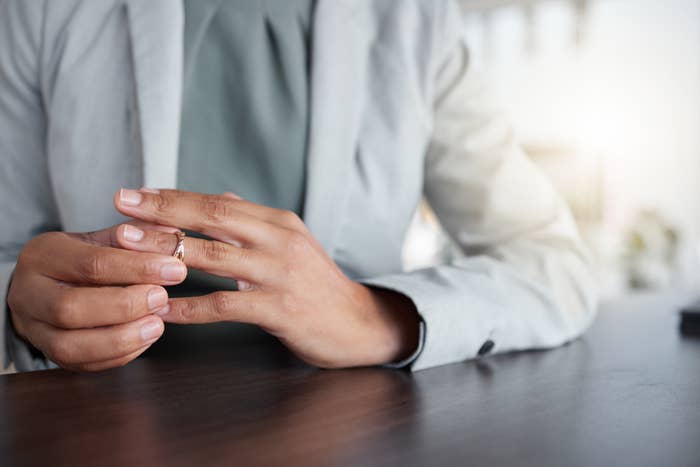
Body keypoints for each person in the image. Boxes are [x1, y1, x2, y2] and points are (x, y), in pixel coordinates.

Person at [0, 0, 597, 373]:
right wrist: (17, 304)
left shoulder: (418, 19)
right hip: (97, 427)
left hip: (349, 430)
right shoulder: (37, 10)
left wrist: (377, 317)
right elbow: (9, 258)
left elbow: (555, 267)